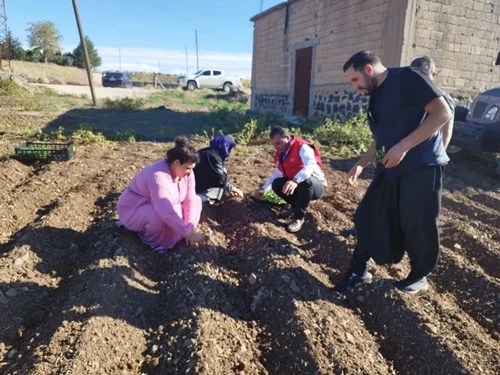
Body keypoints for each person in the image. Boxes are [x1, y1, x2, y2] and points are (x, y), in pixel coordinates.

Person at [335, 51, 452, 294]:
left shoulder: (407, 78)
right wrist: (361, 163)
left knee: (417, 224)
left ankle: (419, 275)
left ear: (368, 69)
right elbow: (381, 138)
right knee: (369, 215)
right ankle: (359, 269)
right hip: (390, 167)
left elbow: (443, 114)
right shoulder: (376, 94)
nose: (355, 86)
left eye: (355, 80)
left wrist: (403, 147)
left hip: (421, 166)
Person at [116, 137, 206, 252]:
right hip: (135, 208)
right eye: (188, 168)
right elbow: (163, 209)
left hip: (163, 206)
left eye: (192, 168)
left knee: (197, 201)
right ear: (176, 163)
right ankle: (151, 242)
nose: (190, 172)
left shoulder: (187, 173)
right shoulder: (158, 177)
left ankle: (175, 235)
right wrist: (187, 233)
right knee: (155, 216)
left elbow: (190, 198)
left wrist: (189, 229)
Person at [254, 126, 327, 233]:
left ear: (287, 137)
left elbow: (310, 165)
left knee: (306, 182)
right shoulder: (281, 153)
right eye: (273, 144)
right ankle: (295, 207)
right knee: (277, 183)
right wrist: (264, 188)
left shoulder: (302, 147)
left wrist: (295, 181)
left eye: (278, 143)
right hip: (297, 185)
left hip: (316, 186)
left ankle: (298, 218)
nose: (276, 147)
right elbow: (278, 172)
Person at [410, 56, 455, 149]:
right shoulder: (410, 95)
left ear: (433, 75)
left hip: (429, 154)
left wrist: (439, 155)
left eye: (424, 75)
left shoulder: (443, 98)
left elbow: (446, 132)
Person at [194, 135, 244, 202]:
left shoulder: (207, 152)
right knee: (207, 201)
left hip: (199, 184)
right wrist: (232, 188)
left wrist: (228, 188)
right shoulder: (213, 157)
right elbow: (219, 177)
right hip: (195, 188)